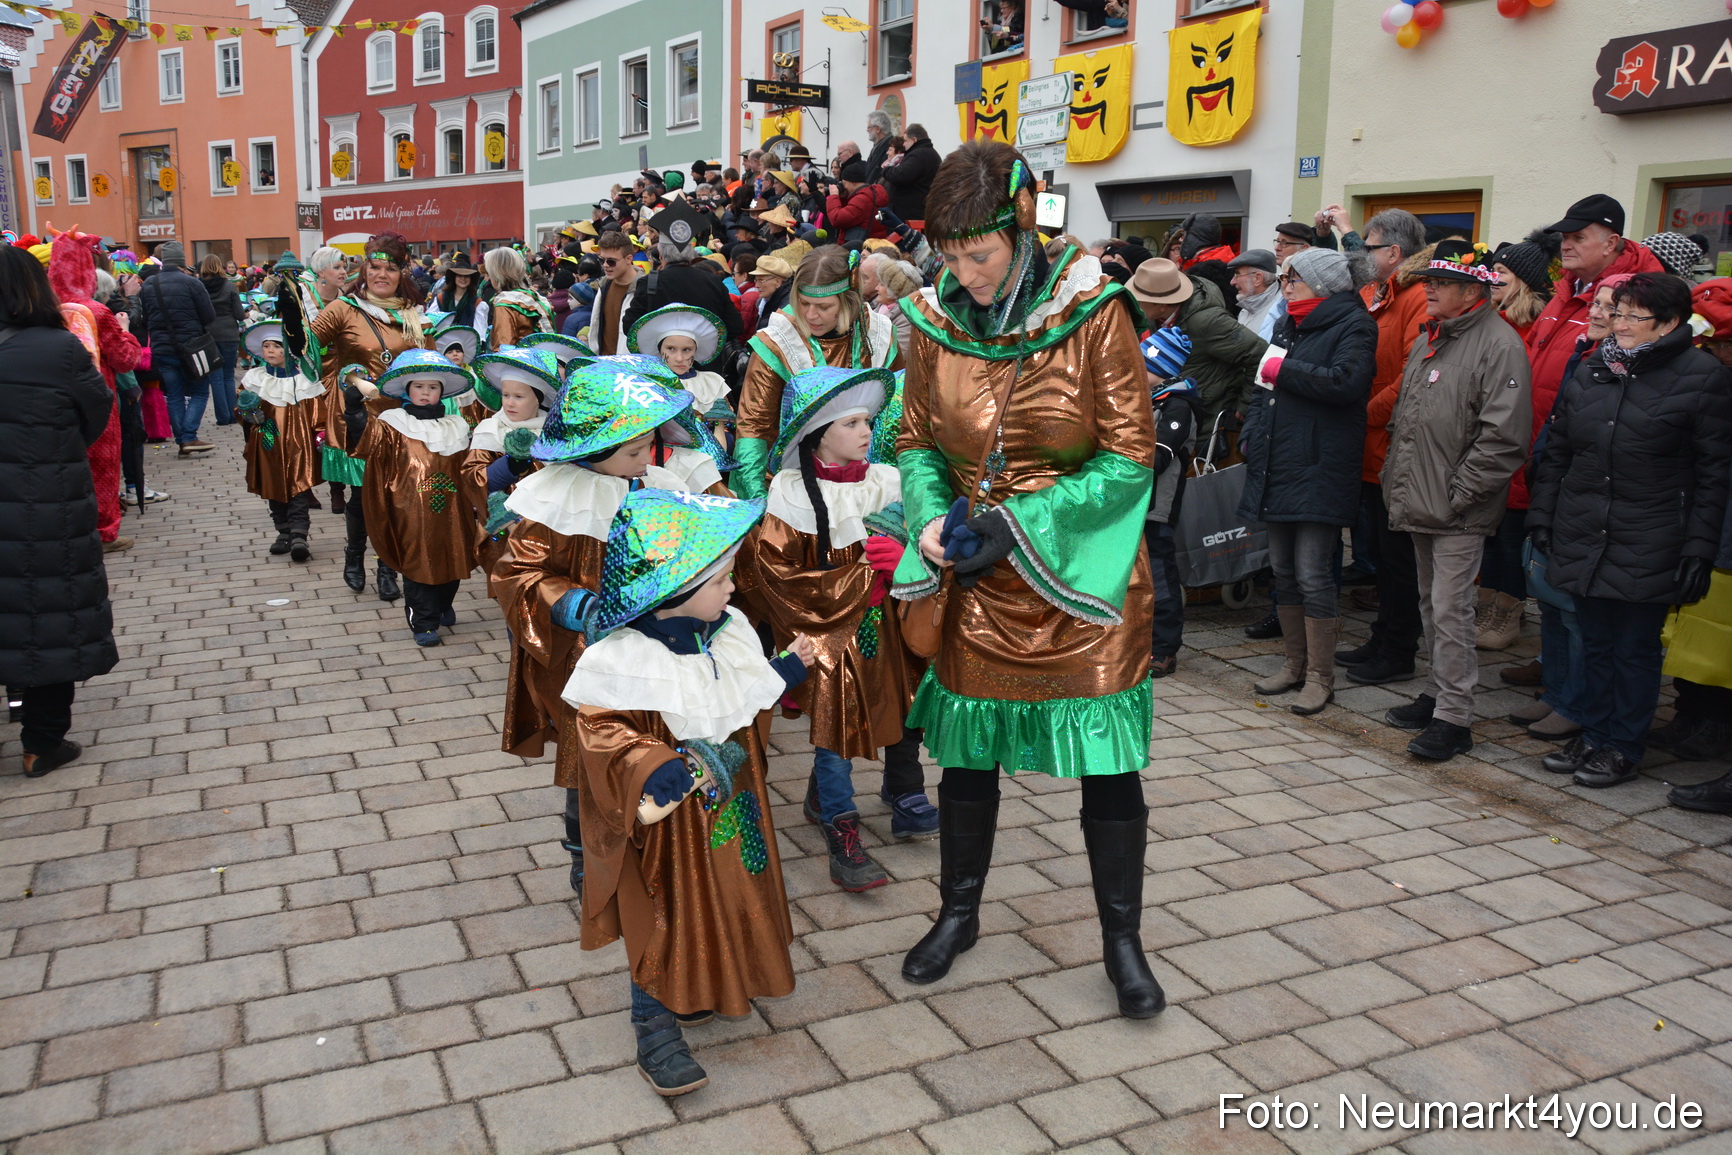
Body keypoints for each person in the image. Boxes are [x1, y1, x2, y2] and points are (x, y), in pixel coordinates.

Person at [889, 141, 1164, 1019]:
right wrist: (928, 519)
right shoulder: (932, 321)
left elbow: (1130, 456)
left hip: (1081, 574)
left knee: (1108, 767)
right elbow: (915, 438)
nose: (964, 275)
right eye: (950, 256)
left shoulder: (1093, 312)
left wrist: (1020, 525)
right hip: (974, 576)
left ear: (1021, 227)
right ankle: (957, 913)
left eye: (981, 254)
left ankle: (1122, 941)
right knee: (968, 759)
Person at [562, 489, 810, 1097]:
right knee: (662, 908)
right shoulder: (622, 659)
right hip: (667, 830)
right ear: (674, 588)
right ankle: (653, 1026)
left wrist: (780, 673)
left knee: (723, 893)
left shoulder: (727, 632)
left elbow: (737, 701)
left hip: (730, 811)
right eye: (720, 579)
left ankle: (702, 983)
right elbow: (600, 729)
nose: (733, 587)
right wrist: (649, 763)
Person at [491, 362, 720, 893]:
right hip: (584, 656)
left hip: (656, 648)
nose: (646, 461)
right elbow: (518, 572)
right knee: (589, 757)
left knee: (648, 741)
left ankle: (650, 837)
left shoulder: (657, 485)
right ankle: (584, 853)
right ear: (596, 450)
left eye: (648, 447)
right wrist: (575, 605)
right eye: (634, 451)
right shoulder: (555, 498)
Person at [1529, 273, 1731, 788]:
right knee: (1595, 641)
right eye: (1617, 312)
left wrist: (1699, 547)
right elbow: (1559, 451)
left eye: (1632, 316)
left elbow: (1714, 475)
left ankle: (1623, 745)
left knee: (1634, 648)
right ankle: (1595, 733)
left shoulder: (1703, 376)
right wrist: (1544, 515)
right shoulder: (1596, 366)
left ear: (1668, 323)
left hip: (1654, 534)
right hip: (1585, 525)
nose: (1617, 323)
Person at [739, 366, 930, 889]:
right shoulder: (791, 493)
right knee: (836, 723)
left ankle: (902, 791)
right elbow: (774, 573)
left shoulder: (888, 481)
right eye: (851, 423)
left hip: (889, 624)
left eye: (867, 421)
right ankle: (841, 826)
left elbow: (925, 546)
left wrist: (908, 562)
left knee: (905, 699)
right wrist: (862, 577)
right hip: (825, 630)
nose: (866, 431)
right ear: (819, 434)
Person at [1380, 242, 1534, 762]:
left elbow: (1504, 439)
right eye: (1428, 281)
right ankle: (1439, 693)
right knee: (1432, 603)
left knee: (1451, 610)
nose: (1427, 289)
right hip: (1424, 497)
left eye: (1439, 283)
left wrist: (1459, 495)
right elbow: (1408, 420)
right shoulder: (1434, 336)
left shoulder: (1500, 345)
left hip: (1458, 508)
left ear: (1472, 293)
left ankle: (1455, 717)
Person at [1238, 249, 1377, 716]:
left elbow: (1346, 382)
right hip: (1278, 462)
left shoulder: (1355, 324)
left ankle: (1320, 677)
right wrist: (1253, 433)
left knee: (1314, 573)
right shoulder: (1288, 323)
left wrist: (1284, 370)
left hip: (1320, 466)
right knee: (1283, 570)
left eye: (1292, 278)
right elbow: (1262, 388)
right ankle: (1294, 664)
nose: (1285, 284)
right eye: (1285, 277)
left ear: (1321, 283)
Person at [0, 244, 117, 777]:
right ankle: (40, 743)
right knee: (47, 615)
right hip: (45, 504)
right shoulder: (59, 348)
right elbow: (95, 411)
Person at [1337, 209, 1432, 685]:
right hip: (1373, 447)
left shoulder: (1416, 297)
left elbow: (1409, 379)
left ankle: (1399, 648)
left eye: (1369, 247)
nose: (1363, 255)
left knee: (1399, 559)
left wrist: (1363, 415)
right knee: (1382, 553)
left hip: (1394, 446)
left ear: (1394, 252)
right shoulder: (1381, 292)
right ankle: (1382, 638)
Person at [310, 230, 431, 602]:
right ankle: (353, 553)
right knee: (363, 496)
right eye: (375, 267)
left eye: (390, 269)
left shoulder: (413, 315)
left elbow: (429, 365)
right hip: (357, 418)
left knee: (395, 496)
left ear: (401, 273)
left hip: (401, 418)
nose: (382, 275)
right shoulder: (344, 308)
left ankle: (387, 566)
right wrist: (347, 376)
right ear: (364, 270)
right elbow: (309, 349)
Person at [732, 245, 901, 499]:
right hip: (790, 483)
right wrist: (758, 497)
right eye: (803, 303)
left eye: (823, 307)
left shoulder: (879, 337)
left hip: (867, 482)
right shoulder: (779, 343)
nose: (811, 315)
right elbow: (754, 428)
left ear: (848, 301)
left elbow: (895, 416)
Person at [344, 349, 479, 646]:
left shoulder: (456, 425)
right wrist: (354, 412)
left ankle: (443, 604)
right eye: (419, 386)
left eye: (432, 387)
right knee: (419, 562)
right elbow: (367, 442)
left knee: (452, 557)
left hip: (452, 510)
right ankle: (423, 621)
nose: (425, 392)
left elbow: (468, 467)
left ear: (442, 391)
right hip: (410, 510)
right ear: (407, 390)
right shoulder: (393, 424)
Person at [1128, 257, 1265, 438]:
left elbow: (1260, 354)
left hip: (1210, 421)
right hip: (1176, 414)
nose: (1136, 305)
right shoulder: (1156, 318)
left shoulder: (1208, 321)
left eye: (1140, 300)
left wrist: (1245, 405)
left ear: (1162, 305)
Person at [463, 346, 560, 585]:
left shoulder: (553, 433)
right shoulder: (490, 430)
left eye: (519, 396)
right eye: (506, 395)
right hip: (504, 527)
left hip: (546, 526)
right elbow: (473, 477)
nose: (509, 403)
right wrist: (511, 464)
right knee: (510, 583)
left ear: (538, 398)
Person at [235, 319, 323, 563]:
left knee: (298, 487)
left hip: (298, 445)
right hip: (268, 444)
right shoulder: (254, 378)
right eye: (266, 347)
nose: (270, 351)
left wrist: (321, 435)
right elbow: (241, 407)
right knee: (273, 487)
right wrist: (248, 414)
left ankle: (299, 534)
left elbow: (317, 413)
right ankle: (283, 532)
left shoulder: (305, 381)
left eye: (276, 346)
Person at [1140, 330, 1198, 677]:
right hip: (1134, 504)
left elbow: (1158, 457)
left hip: (1157, 508)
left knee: (1159, 576)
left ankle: (1164, 648)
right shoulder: (1148, 398)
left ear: (1161, 370)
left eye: (1144, 363)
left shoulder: (1178, 405)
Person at [137, 241, 217, 456]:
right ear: (182, 261)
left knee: (174, 394)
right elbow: (209, 315)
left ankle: (183, 440)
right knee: (199, 391)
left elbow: (145, 317)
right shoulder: (192, 283)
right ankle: (189, 436)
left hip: (162, 347)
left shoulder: (149, 284)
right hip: (191, 347)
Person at [626, 304, 729, 412]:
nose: (679, 358)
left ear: (696, 350)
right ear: (659, 350)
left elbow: (726, 419)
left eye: (686, 350)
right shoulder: (647, 385)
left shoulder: (712, 383)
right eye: (671, 349)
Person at [199, 254, 245, 426]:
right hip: (229, 334)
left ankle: (222, 417)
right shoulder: (229, 286)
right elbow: (239, 314)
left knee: (215, 377)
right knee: (228, 375)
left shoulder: (199, 286)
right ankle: (233, 414)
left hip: (208, 335)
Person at [482, 248, 555, 350]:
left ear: (497, 275)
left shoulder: (505, 305)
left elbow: (504, 349)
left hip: (519, 359)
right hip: (542, 357)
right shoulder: (534, 297)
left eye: (490, 273)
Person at [589, 232, 641, 355]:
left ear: (628, 259)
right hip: (602, 362)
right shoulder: (603, 285)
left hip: (631, 363)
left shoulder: (644, 289)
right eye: (602, 260)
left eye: (611, 261)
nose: (605, 265)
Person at [880, 124, 939, 228]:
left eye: (906, 141)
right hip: (915, 212)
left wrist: (886, 169)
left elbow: (900, 175)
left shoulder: (918, 156)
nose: (904, 144)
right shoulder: (928, 153)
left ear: (914, 140)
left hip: (911, 214)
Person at [826, 160, 889, 247]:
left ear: (853, 182)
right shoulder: (869, 194)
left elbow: (837, 219)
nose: (843, 187)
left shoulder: (862, 199)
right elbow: (850, 213)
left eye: (844, 183)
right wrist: (843, 198)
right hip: (868, 244)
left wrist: (833, 196)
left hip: (858, 249)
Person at [1228, 249, 1281, 341]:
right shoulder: (1247, 306)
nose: (1232, 282)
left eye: (1237, 275)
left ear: (1257, 278)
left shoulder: (1279, 310)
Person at [436, 255, 488, 331]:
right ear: (454, 278)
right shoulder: (441, 298)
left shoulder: (477, 302)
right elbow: (432, 322)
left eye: (466, 276)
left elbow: (480, 329)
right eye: (459, 275)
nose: (463, 279)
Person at [863, 111, 895, 184]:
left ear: (878, 129)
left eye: (869, 127)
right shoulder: (878, 146)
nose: (867, 130)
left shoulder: (891, 148)